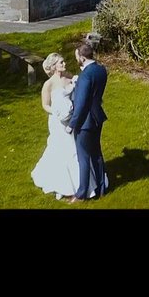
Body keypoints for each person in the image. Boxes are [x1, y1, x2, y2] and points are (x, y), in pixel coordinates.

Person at [30, 53, 103, 201]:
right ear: (54, 66)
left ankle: (83, 185)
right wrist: (56, 112)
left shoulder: (69, 76)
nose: (64, 64)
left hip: (72, 120)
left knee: (76, 151)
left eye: (63, 61)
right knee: (62, 150)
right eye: (61, 62)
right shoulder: (48, 84)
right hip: (58, 122)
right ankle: (63, 184)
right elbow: (45, 105)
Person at [66, 41, 109, 202]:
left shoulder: (85, 75)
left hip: (85, 122)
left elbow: (82, 103)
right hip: (98, 117)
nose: (76, 59)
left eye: (77, 56)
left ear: (82, 58)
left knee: (83, 157)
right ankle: (101, 188)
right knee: (97, 153)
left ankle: (82, 194)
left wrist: (72, 124)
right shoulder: (101, 70)